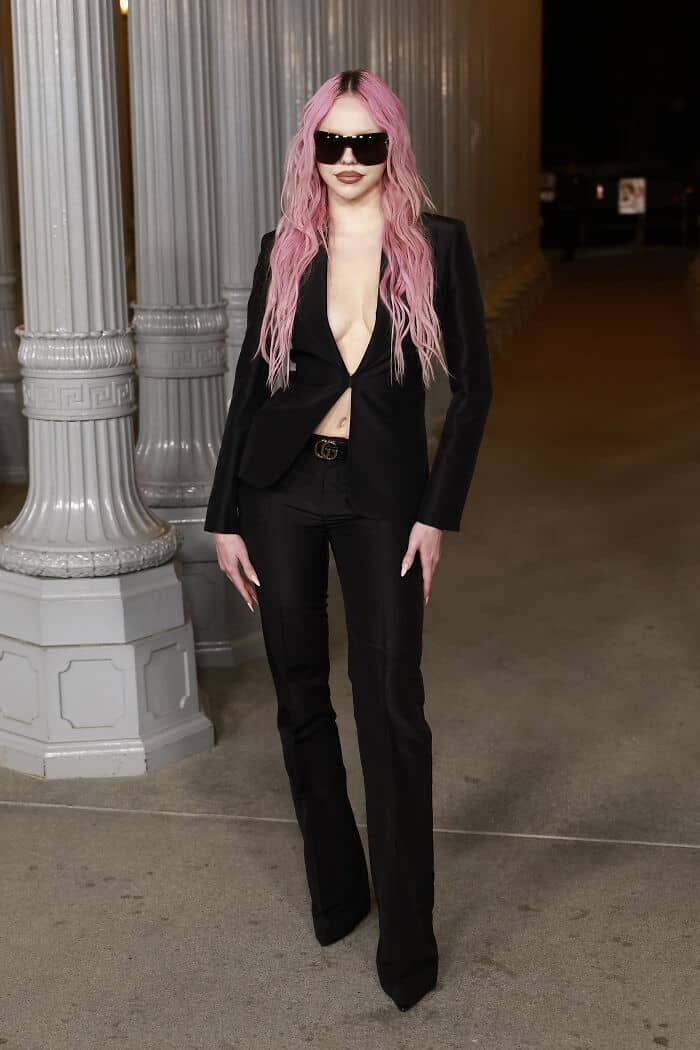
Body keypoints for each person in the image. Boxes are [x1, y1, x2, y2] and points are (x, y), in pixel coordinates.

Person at [204, 68, 492, 1012]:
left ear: (392, 145)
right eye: (333, 142)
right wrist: (225, 516)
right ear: (311, 149)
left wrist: (436, 513)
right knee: (298, 693)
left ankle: (408, 943)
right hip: (281, 491)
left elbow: (475, 391)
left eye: (368, 142)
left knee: (392, 706)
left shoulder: (437, 245)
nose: (350, 159)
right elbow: (252, 386)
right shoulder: (284, 248)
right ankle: (339, 891)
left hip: (384, 500)